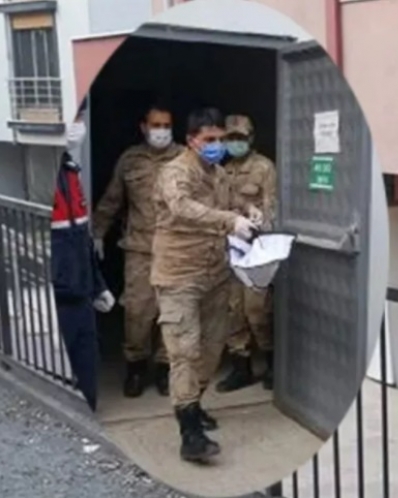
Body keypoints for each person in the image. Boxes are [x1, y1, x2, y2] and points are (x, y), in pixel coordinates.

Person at [150, 107, 257, 463]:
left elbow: (234, 201)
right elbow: (181, 207)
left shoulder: (220, 174)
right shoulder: (175, 172)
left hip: (215, 275)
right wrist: (230, 220)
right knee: (184, 351)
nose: (216, 145)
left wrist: (249, 211)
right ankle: (190, 433)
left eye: (220, 139)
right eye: (209, 139)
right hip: (178, 275)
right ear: (191, 140)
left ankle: (193, 404)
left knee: (212, 348)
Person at [91, 104, 185, 398]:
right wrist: (97, 232)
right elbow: (112, 199)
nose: (162, 131)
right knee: (137, 311)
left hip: (177, 249)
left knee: (172, 311)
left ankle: (165, 369)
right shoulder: (130, 160)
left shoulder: (185, 158)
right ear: (144, 127)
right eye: (156, 125)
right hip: (140, 250)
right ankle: (135, 367)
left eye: (167, 125)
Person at [51, 103, 116, 412]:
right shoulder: (38, 174)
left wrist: (98, 284)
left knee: (88, 365)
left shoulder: (71, 173)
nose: (77, 124)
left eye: (79, 115)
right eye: (71, 115)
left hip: (80, 293)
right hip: (58, 295)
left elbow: (80, 238)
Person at [215, 114, 278, 393]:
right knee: (233, 311)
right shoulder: (222, 170)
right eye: (230, 138)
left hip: (256, 250)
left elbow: (271, 207)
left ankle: (273, 364)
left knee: (257, 310)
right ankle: (241, 367)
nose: (235, 143)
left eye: (240, 138)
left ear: (250, 139)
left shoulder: (264, 167)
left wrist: (260, 230)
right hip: (229, 250)